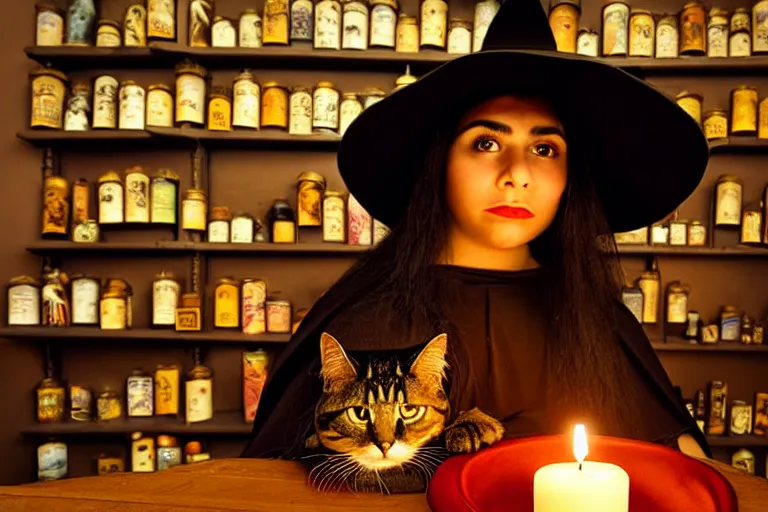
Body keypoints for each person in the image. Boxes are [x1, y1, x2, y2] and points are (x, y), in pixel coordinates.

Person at [242, 0, 711, 462]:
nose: (517, 174)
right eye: (487, 143)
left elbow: (685, 466)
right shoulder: (362, 322)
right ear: (440, 163)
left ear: (572, 180)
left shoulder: (601, 321)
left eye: (545, 149)